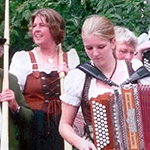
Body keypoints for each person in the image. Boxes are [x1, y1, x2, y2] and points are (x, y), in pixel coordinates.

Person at [59, 15, 150, 150]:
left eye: (101, 47)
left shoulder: (135, 70)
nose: (95, 53)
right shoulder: (81, 77)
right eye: (89, 48)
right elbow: (64, 125)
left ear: (113, 42)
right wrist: (80, 142)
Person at [9, 8, 80, 150]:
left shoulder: (70, 58)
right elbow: (15, 96)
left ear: (54, 28)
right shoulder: (23, 59)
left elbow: (79, 98)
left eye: (42, 25)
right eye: (34, 26)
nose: (36, 29)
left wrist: (70, 77)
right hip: (33, 129)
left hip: (64, 127)